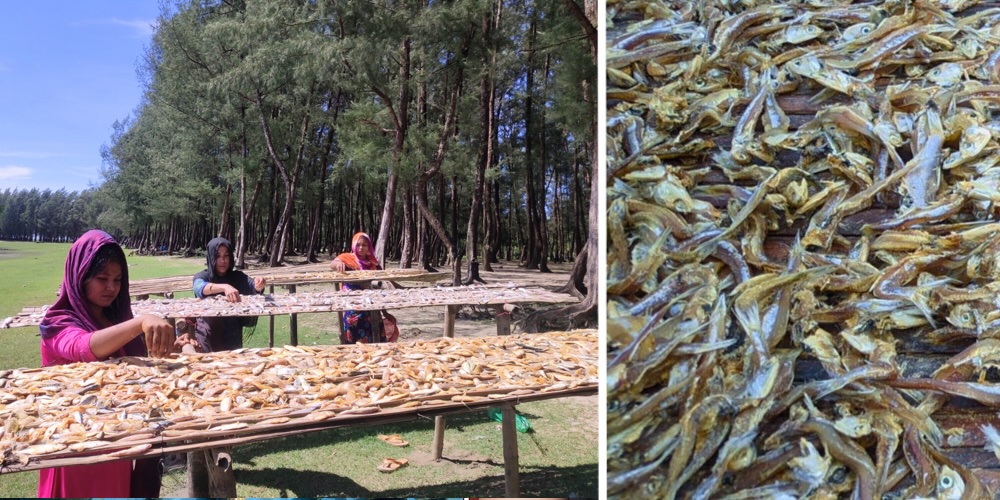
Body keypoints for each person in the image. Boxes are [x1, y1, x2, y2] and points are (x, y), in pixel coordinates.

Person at [38, 229, 196, 498]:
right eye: (102, 279)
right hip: (78, 447)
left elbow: (130, 365)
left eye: (118, 279)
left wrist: (170, 351)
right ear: (80, 276)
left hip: (115, 440)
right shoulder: (57, 323)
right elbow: (83, 346)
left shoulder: (113, 320)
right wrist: (140, 321)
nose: (111, 287)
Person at [191, 237, 266, 352]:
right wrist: (224, 287)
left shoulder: (238, 277)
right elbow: (199, 288)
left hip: (232, 335)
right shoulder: (202, 276)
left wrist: (259, 284)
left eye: (226, 255)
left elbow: (253, 286)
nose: (223, 260)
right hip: (208, 334)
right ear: (211, 257)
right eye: (217, 256)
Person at [329, 232, 395, 343]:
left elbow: (379, 290)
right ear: (354, 245)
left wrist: (385, 312)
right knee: (354, 345)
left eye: (364, 245)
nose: (361, 247)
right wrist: (338, 264)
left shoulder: (374, 264)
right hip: (353, 310)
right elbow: (333, 263)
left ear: (369, 246)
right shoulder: (347, 258)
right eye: (358, 244)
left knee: (375, 342)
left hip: (372, 310)